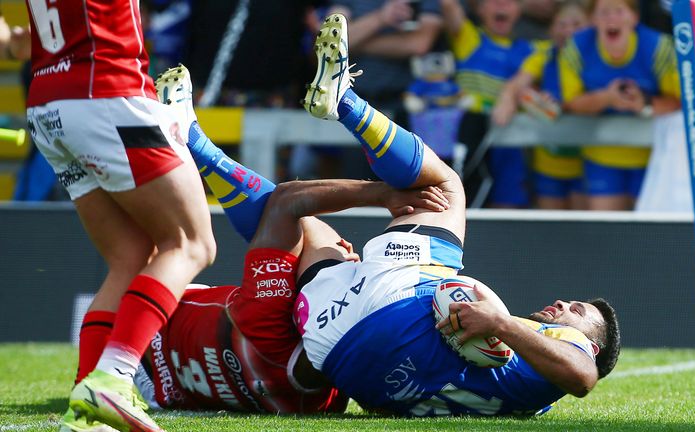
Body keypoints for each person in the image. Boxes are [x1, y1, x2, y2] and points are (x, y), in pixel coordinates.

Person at [294, 13, 621, 416]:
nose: (563, 304)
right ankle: (194, 141)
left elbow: (583, 377)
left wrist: (499, 322)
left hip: (396, 314)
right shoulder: (530, 399)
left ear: (591, 345)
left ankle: (345, 101)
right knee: (304, 224)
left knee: (445, 188)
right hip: (342, 357)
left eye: (578, 312)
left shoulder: (558, 357)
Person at [133, 87, 449, 413]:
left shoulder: (266, 326)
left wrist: (381, 194)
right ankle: (342, 102)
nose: (352, 257)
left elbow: (286, 201)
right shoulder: (327, 402)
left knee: (441, 188)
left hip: (139, 337)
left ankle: (194, 142)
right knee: (320, 242)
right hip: (167, 390)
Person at [24, 1, 217, 430]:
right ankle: (112, 377)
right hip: (106, 92)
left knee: (130, 257)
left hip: (48, 103)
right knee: (191, 242)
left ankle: (85, 405)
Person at [558, 0, 680, 211]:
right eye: (604, 12)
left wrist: (644, 103)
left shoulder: (659, 47)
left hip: (651, 156)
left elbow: (680, 101)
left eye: (619, 11)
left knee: (649, 233)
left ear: (634, 18)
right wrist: (606, 98)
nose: (612, 18)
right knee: (607, 232)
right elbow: (571, 102)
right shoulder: (576, 48)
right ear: (592, 20)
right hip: (601, 156)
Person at [492, 0, 590, 210]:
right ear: (551, 29)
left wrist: (564, 105)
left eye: (576, 24)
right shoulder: (544, 54)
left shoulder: (596, 56)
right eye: (562, 24)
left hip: (588, 163)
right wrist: (510, 99)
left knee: (584, 232)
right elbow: (517, 84)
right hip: (549, 162)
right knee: (550, 234)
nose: (569, 30)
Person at [440, 0, 534, 208]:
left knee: (507, 208)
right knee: (462, 204)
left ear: (519, 9)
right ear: (479, 9)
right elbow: (448, 5)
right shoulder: (470, 38)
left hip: (510, 140)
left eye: (509, 2)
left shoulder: (530, 50)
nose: (502, 4)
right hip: (469, 136)